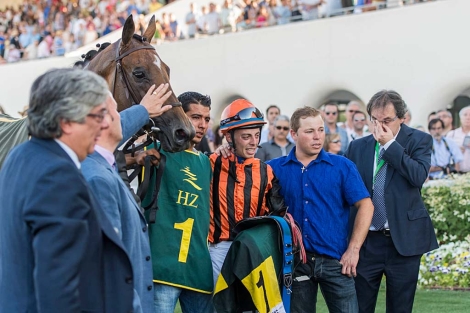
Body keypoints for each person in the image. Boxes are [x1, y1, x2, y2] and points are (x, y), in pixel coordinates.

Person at [0, 68, 135, 312]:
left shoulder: (21, 156)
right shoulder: (57, 176)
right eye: (98, 116)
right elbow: (58, 285)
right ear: (66, 121)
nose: (105, 124)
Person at [267, 106, 373, 313]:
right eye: (309, 131)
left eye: (321, 130)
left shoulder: (342, 166)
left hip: (336, 260)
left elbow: (366, 205)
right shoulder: (273, 168)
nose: (318, 137)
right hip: (295, 262)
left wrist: (353, 249)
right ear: (294, 134)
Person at [81, 84, 173, 313]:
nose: (124, 117)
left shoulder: (105, 168)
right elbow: (110, 265)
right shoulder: (97, 179)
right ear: (102, 121)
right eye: (116, 111)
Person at [345, 90, 438, 313]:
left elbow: (417, 177)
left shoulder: (419, 140)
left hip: (404, 240)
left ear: (402, 118)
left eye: (387, 120)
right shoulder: (357, 147)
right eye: (375, 120)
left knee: (400, 308)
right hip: (367, 240)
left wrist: (389, 146)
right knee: (359, 306)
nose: (380, 126)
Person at [143, 91, 214, 313]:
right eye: (195, 117)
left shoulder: (206, 163)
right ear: (179, 116)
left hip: (198, 268)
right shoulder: (154, 152)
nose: (202, 125)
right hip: (163, 267)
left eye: (207, 119)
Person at [209, 99, 287, 287]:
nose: (254, 142)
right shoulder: (211, 164)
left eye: (257, 135)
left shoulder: (266, 171)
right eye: (246, 136)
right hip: (219, 250)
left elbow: (277, 213)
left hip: (252, 249)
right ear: (229, 137)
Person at [446, 106, 470, 173]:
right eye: (465, 115)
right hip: (456, 171)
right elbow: (445, 153)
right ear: (460, 118)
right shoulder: (452, 134)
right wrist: (456, 151)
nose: (468, 118)